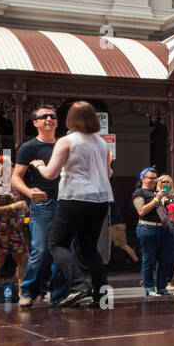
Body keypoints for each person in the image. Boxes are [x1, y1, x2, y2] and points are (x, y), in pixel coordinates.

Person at [31, 101, 114, 308]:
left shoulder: (66, 141)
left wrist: (39, 165)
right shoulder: (102, 143)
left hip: (75, 197)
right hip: (101, 199)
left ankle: (78, 285)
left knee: (56, 244)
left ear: (70, 119)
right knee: (89, 248)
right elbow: (109, 173)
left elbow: (51, 173)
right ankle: (102, 297)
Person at [13, 105, 70, 307]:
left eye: (53, 116)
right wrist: (28, 192)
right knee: (40, 250)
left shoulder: (65, 144)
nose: (49, 119)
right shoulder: (29, 147)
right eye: (43, 117)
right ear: (35, 122)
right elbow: (15, 177)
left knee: (64, 251)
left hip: (67, 202)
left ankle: (59, 294)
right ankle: (27, 291)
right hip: (43, 202)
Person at [0, 155, 29, 298]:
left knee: (24, 258)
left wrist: (22, 209)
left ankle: (23, 292)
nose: (14, 167)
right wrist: (14, 206)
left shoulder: (12, 185)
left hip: (14, 227)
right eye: (11, 165)